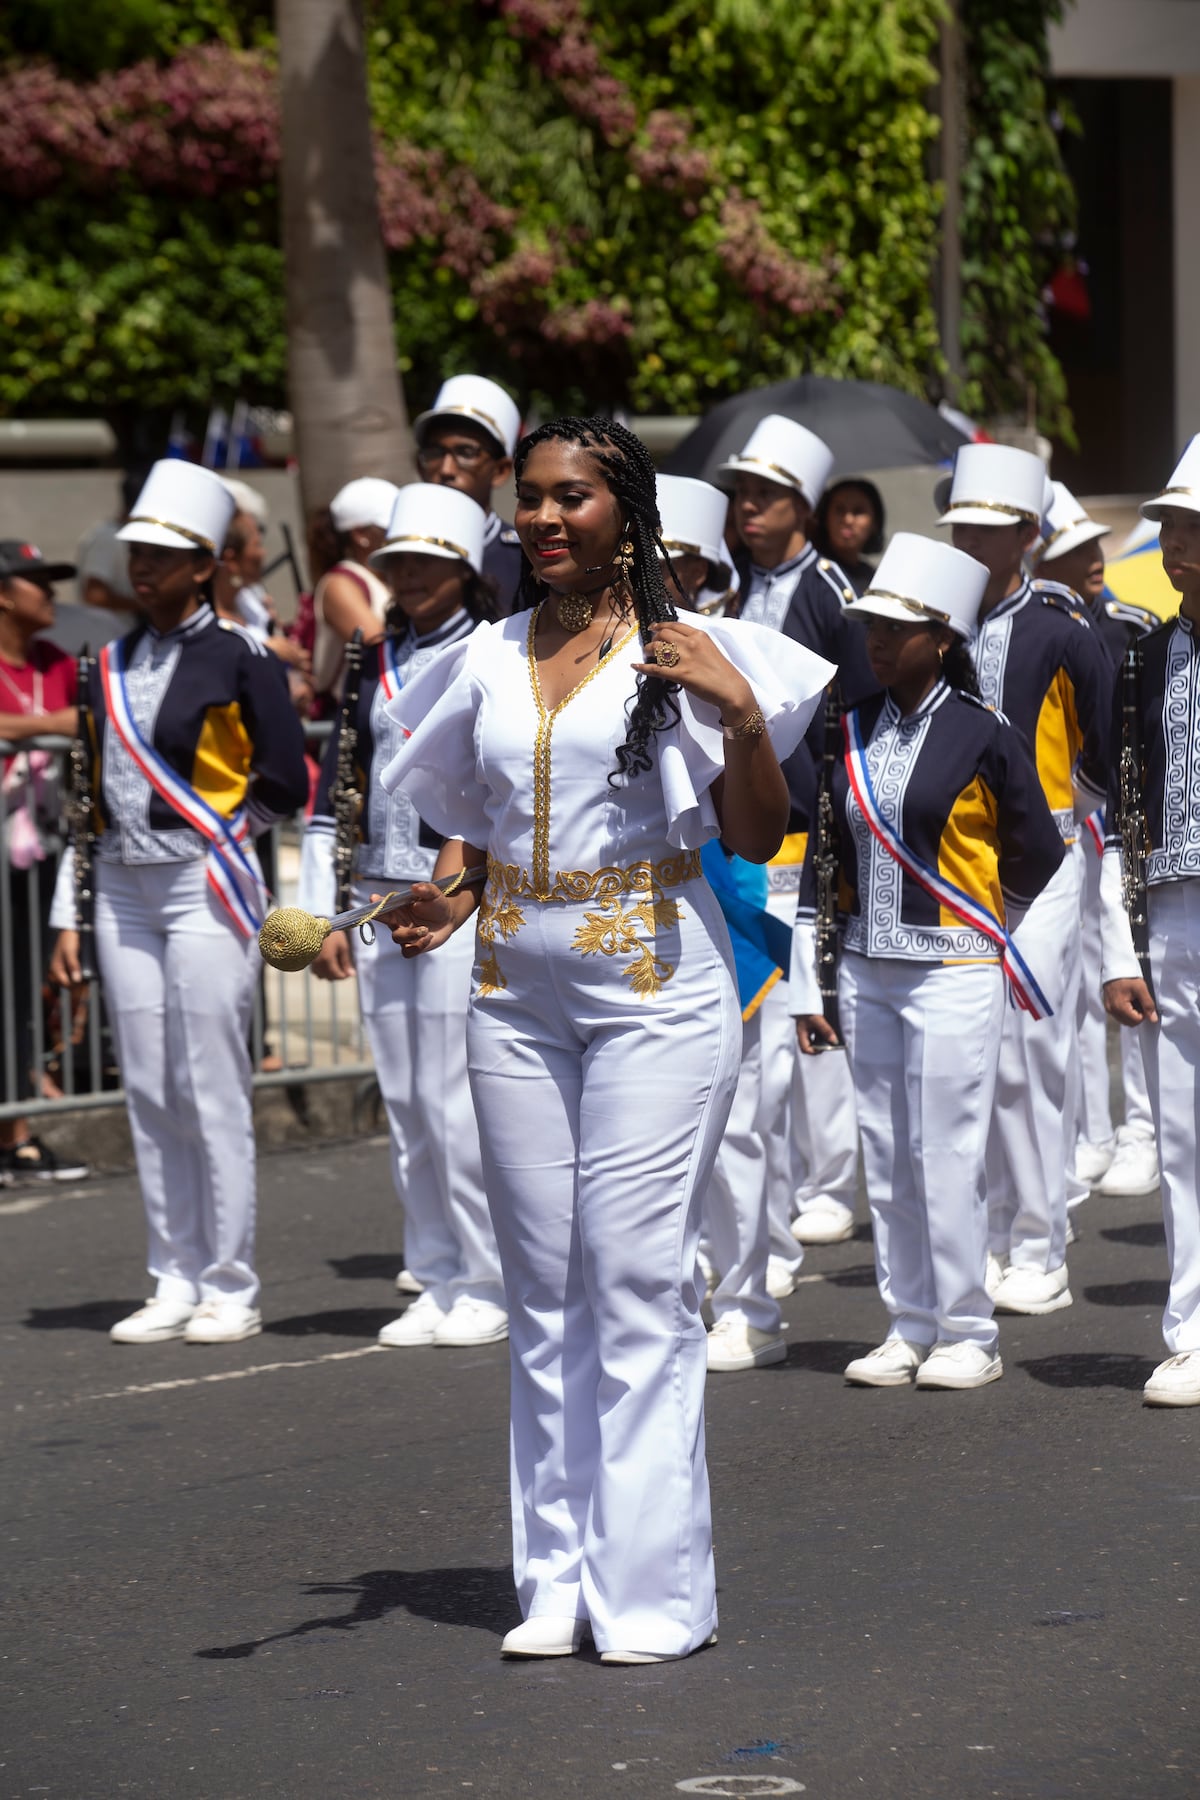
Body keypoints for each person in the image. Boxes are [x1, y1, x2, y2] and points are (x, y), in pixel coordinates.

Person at [376, 417, 833, 1663]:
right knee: (542, 1293)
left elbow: (750, 833)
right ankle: (558, 1577)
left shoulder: (687, 649)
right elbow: (475, 817)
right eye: (528, 499)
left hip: (655, 989)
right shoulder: (481, 656)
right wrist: (449, 893)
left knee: (633, 1284)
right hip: (511, 994)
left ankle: (652, 1594)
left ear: (624, 508)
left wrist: (740, 716)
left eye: (569, 497)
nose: (542, 518)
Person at [792, 534, 1065, 1388]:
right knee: (887, 1148)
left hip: (955, 971)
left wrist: (985, 932)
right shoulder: (851, 725)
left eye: (898, 627)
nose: (878, 640)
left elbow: (1037, 852)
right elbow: (824, 856)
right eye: (872, 624)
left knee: (947, 1149)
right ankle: (906, 1323)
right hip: (868, 968)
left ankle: (966, 1331)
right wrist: (814, 979)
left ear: (943, 635)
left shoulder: (983, 732)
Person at [47, 461, 309, 1344]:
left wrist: (230, 839)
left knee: (211, 1084)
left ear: (205, 564)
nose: (144, 566)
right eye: (137, 552)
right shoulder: (106, 663)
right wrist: (66, 913)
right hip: (120, 884)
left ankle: (230, 1282)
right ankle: (173, 1274)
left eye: (164, 553)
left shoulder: (240, 654)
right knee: (151, 1087)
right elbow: (86, 795)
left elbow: (284, 775)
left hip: (203, 880)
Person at [302, 485, 507, 1348]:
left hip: (453, 899)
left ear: (464, 569)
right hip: (375, 896)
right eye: (397, 563)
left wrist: (457, 887)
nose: (411, 576)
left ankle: (490, 1276)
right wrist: (327, 913)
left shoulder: (494, 652)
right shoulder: (368, 659)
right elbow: (332, 787)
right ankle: (434, 1271)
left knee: (456, 1097)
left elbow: (494, 790)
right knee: (407, 1100)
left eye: (428, 562)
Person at [938, 444, 1113, 1317]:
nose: (970, 540)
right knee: (976, 1057)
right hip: (953, 861)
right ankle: (997, 1228)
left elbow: (1104, 753)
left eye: (989, 528)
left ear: (1028, 537)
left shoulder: (1060, 627)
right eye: (962, 525)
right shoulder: (934, 623)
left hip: (1042, 860)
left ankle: (1040, 1241)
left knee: (1033, 1053)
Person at [716, 414, 869, 1251]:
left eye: (767, 496)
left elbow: (850, 716)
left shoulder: (833, 596)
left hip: (809, 827)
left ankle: (830, 1178)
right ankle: (776, 1185)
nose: (749, 509)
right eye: (741, 493)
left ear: (803, 506)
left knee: (809, 1007)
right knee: (762, 1019)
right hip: (745, 826)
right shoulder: (734, 587)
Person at [655, 474, 791, 1363]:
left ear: (700, 565)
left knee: (737, 1121)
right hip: (629, 915)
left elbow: (785, 801)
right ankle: (676, 1294)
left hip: (734, 899)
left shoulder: (741, 651)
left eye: (667, 562)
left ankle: (751, 1304)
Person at [1101, 434, 1200, 1405]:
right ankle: (1193, 1328)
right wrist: (1120, 944)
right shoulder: (1142, 657)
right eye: (1173, 528)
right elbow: (1115, 811)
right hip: (1172, 908)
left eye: (1195, 528)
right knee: (1183, 1129)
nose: (1180, 547)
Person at [1034, 481, 1160, 1204]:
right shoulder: (1025, 628)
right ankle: (1091, 1131)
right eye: (1068, 547)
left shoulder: (1129, 626)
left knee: (1131, 971)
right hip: (1054, 829)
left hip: (1119, 826)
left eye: (1090, 543)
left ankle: (1140, 1128)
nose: (1090, 558)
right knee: (1070, 989)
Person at [0, 541, 89, 1183]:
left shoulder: (53, 660)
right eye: (37, 582)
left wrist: (20, 727)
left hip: (38, 855)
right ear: (4, 593)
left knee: (22, 991)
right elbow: (67, 720)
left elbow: (88, 713)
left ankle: (16, 1134)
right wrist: (48, 724)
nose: (50, 595)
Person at [414, 375, 524, 615]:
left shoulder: (528, 560)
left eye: (466, 452)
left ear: (501, 470)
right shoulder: (401, 557)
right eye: (434, 452)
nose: (446, 470)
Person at [310, 478, 401, 702]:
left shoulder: (386, 579)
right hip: (347, 719)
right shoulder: (339, 584)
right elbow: (379, 645)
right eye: (392, 526)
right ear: (360, 535)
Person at [811, 477, 886, 596]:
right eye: (840, 510)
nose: (848, 520)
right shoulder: (811, 570)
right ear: (825, 517)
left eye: (858, 511)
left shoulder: (876, 578)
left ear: (875, 523)